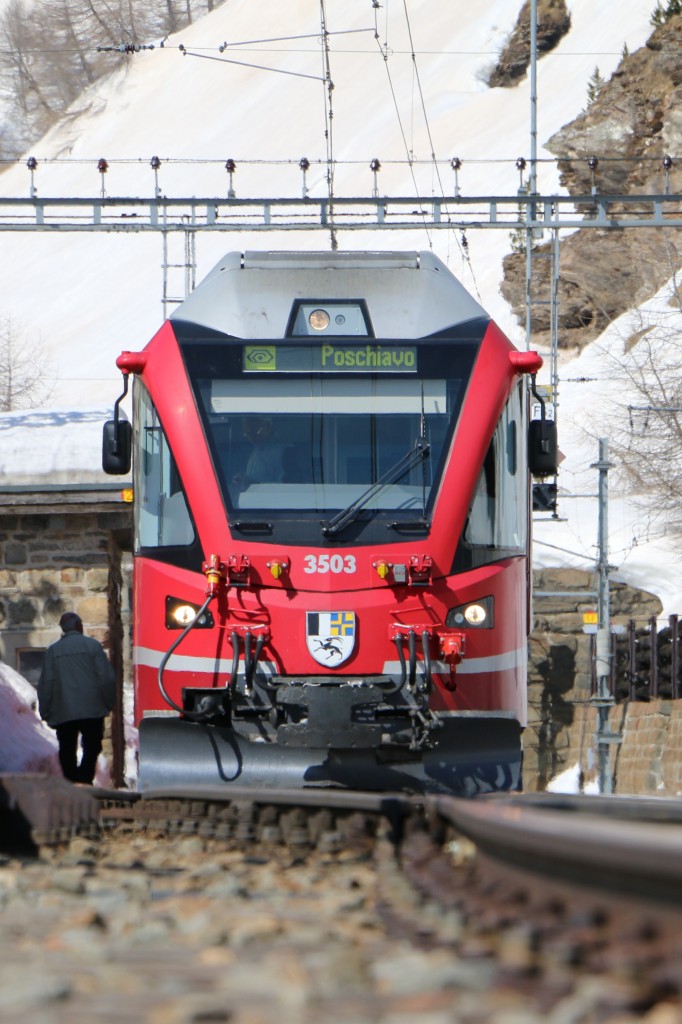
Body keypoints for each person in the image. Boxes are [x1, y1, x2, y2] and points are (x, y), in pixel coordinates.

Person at [37, 612, 116, 785]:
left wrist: (45, 710)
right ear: (79, 626)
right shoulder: (93, 646)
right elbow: (106, 678)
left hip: (64, 709)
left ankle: (71, 780)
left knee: (67, 748)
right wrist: (109, 702)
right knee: (92, 746)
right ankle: (85, 778)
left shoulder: (53, 651)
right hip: (92, 708)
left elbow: (46, 683)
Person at [233, 416, 286, 491]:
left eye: (255, 433)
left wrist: (255, 486)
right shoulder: (256, 450)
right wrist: (242, 479)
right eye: (248, 435)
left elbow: (287, 487)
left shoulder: (284, 452)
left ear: (268, 427)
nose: (251, 438)